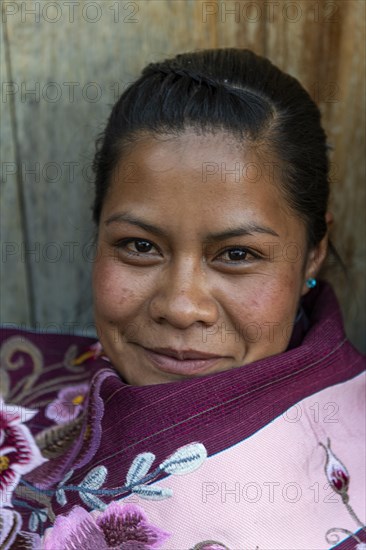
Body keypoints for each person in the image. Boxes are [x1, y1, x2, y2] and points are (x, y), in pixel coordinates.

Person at [1, 48, 365, 550]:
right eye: (140, 246)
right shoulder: (18, 401)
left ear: (312, 253)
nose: (180, 305)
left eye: (237, 254)